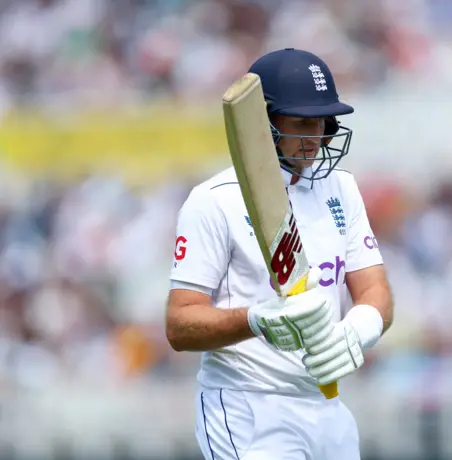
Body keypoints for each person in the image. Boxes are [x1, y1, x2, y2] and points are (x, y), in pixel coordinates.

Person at [165, 48, 394, 460]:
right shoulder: (213, 201)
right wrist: (256, 320)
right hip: (249, 406)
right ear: (263, 122)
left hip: (327, 405)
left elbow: (374, 288)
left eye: (322, 122)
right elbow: (180, 324)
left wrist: (359, 329)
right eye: (302, 122)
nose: (317, 135)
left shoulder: (340, 188)